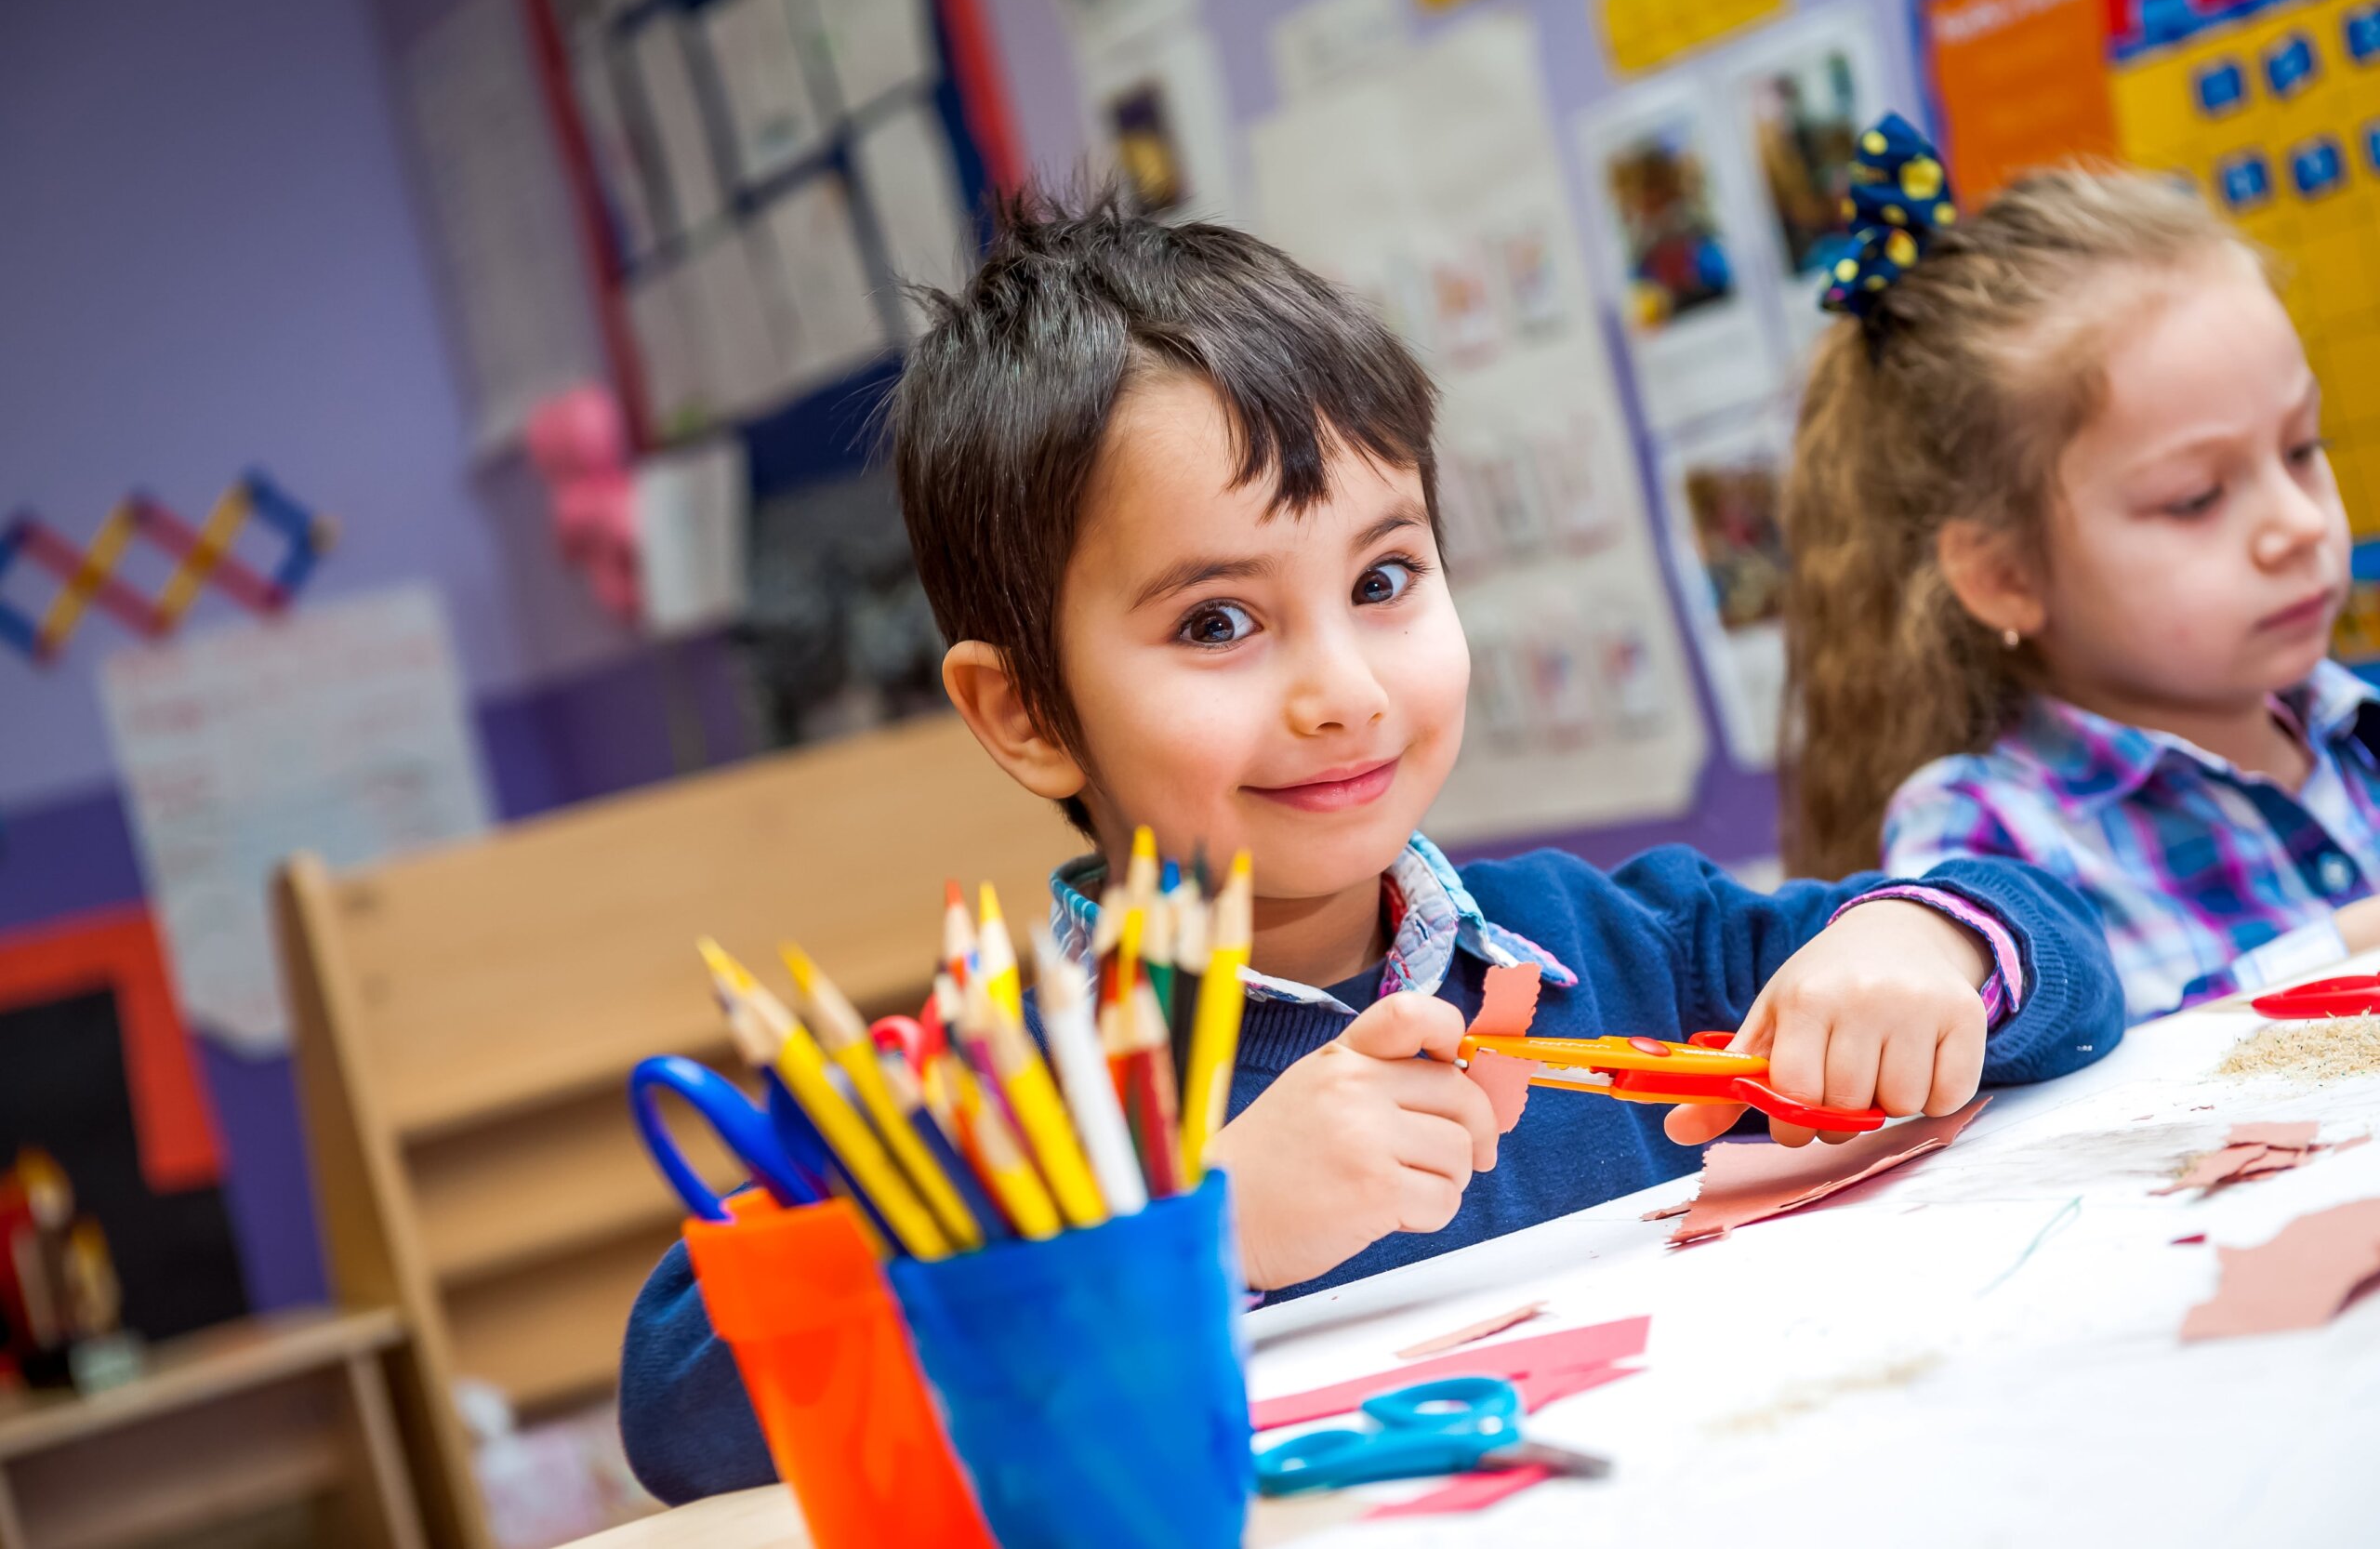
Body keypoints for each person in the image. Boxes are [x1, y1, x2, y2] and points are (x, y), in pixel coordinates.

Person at [619, 182, 2124, 1504]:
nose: (1341, 688)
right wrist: (1197, 1227)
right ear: (1024, 713)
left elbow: (2057, 944)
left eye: (1388, 576)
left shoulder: (1614, 947)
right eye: (1218, 620)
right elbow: (687, 1398)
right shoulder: (995, 1105)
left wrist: (1929, 946)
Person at [1783, 114, 2373, 1022]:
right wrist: (2339, 951)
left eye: (2301, 448)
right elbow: (2068, 1097)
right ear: (2003, 574)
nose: (2297, 524)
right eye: (2195, 498)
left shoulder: (2357, 737)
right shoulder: (1983, 832)